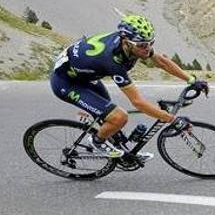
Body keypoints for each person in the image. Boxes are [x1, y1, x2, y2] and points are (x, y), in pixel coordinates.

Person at [49, 14, 207, 159]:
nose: (147, 49)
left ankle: (119, 147)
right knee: (119, 117)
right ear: (126, 42)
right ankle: (97, 141)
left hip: (85, 76)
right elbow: (137, 102)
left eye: (151, 43)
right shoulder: (113, 61)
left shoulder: (132, 44)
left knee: (108, 113)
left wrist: (191, 79)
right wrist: (172, 119)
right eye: (143, 45)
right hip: (66, 83)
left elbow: (162, 61)